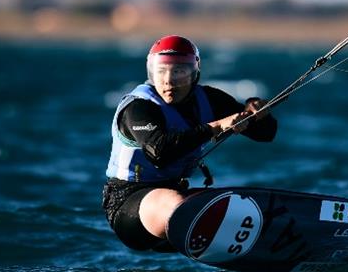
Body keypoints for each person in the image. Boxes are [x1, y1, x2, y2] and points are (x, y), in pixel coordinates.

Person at [102, 35, 277, 251]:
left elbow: (266, 134)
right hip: (129, 206)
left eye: (178, 71)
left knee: (237, 204)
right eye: (161, 71)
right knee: (181, 205)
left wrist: (256, 111)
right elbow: (159, 152)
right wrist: (215, 127)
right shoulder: (138, 108)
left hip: (178, 199)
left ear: (194, 73)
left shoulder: (208, 99)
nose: (168, 80)